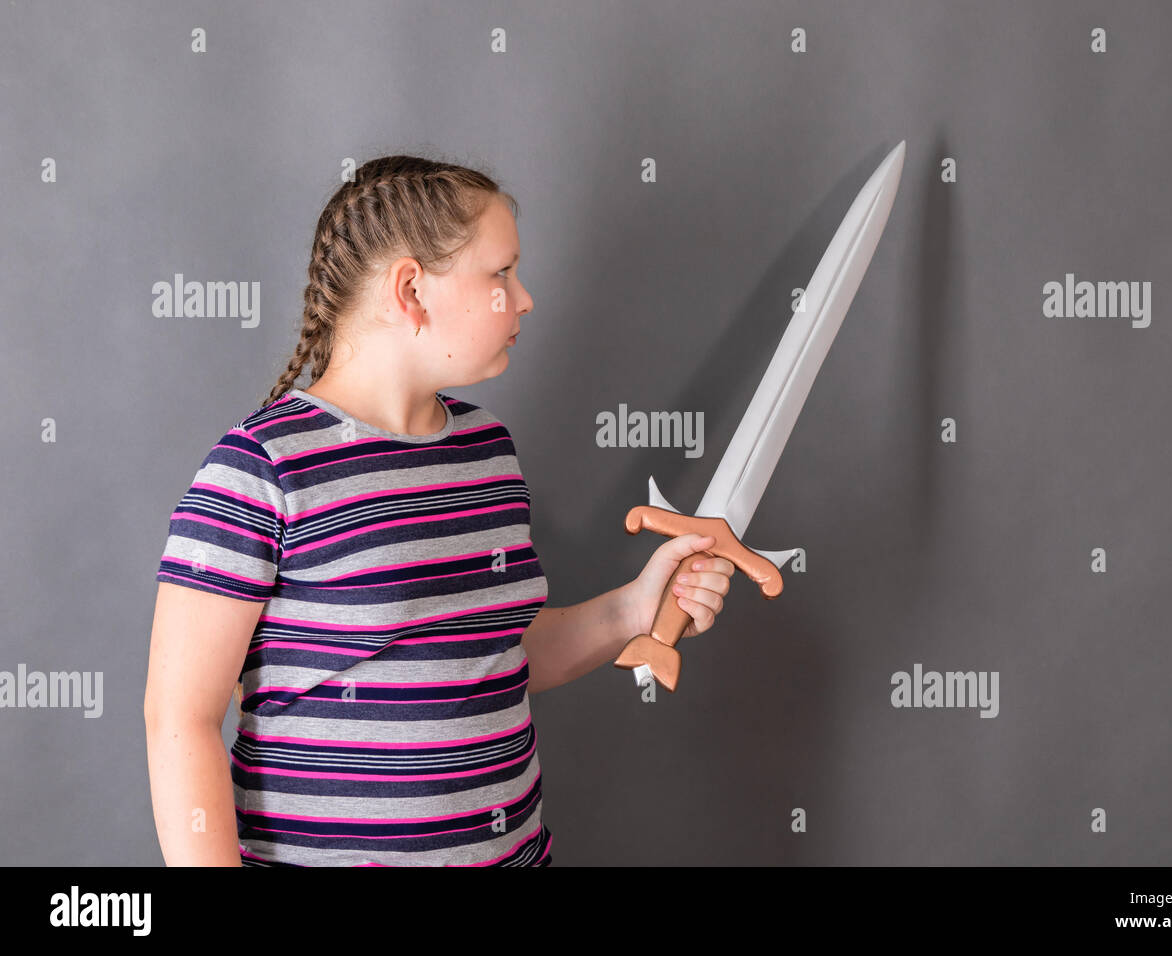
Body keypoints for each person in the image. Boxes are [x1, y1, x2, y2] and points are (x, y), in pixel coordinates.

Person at [142, 155, 735, 866]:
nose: (525, 299)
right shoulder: (261, 470)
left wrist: (634, 609)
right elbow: (181, 718)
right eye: (501, 274)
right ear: (412, 290)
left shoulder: (486, 450)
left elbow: (492, 652)